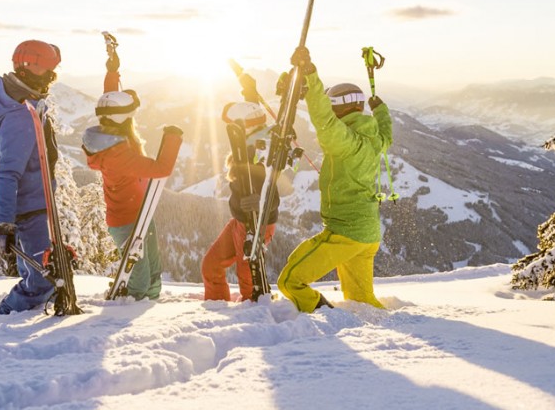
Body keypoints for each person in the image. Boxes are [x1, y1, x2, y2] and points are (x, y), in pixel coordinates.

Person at [277, 46, 392, 312]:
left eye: (333, 104)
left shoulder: (347, 142)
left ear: (340, 108)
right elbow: (387, 133)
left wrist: (311, 75)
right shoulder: (375, 139)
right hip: (368, 235)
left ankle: (322, 314)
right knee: (362, 301)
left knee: (290, 281)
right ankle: (382, 332)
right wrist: (381, 110)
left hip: (346, 232)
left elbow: (324, 120)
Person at [82, 48, 183, 300]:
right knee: (139, 275)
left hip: (140, 212)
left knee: (153, 267)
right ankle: (133, 308)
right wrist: (173, 137)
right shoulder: (117, 154)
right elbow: (161, 169)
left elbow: (109, 102)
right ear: (125, 118)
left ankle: (152, 300)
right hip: (128, 221)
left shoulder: (111, 136)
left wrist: (112, 72)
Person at [0, 39, 62, 314]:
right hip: (29, 212)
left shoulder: (29, 106)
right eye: (47, 71)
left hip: (36, 207)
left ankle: (18, 320)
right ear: (28, 69)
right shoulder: (20, 116)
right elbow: (7, 174)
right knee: (40, 282)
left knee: (42, 274)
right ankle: (8, 315)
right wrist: (3, 222)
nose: (52, 78)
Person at [201, 101, 279, 301]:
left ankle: (253, 316)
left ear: (247, 126)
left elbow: (274, 192)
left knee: (249, 279)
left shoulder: (261, 151)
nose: (230, 132)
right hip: (240, 220)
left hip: (256, 223)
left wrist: (260, 201)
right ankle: (215, 306)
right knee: (211, 266)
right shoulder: (244, 146)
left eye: (234, 127)